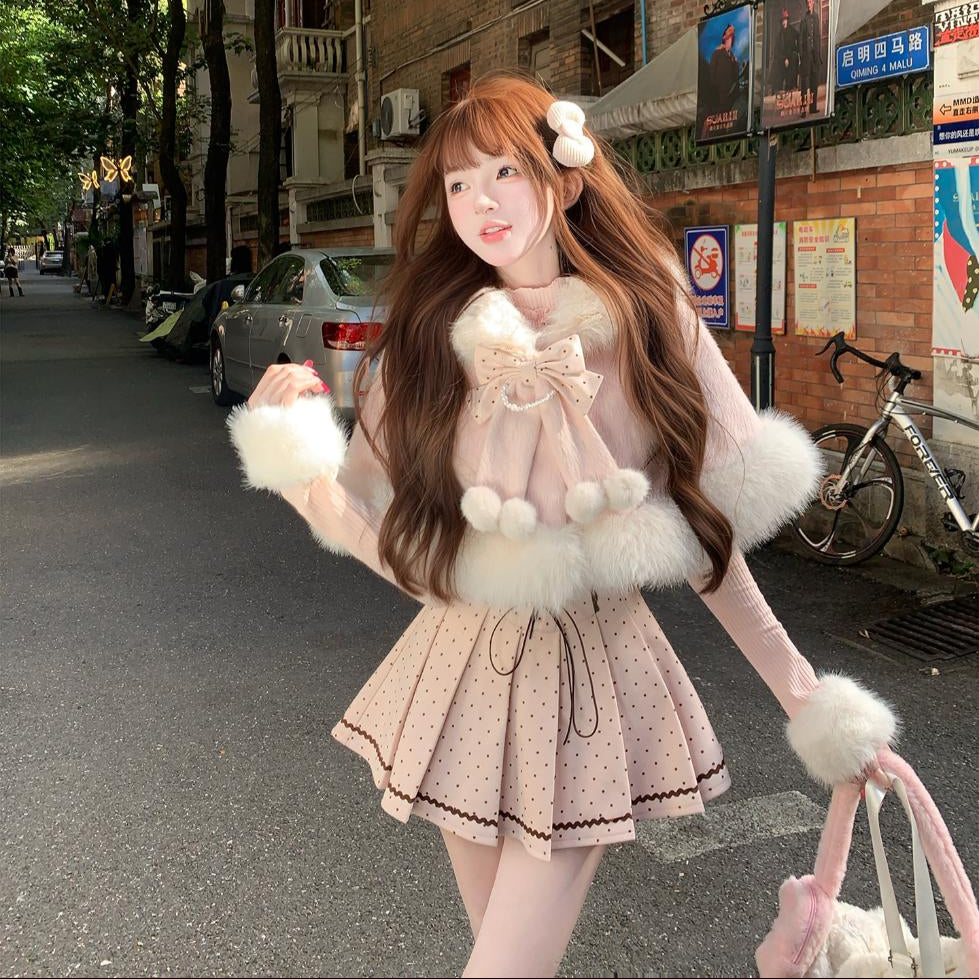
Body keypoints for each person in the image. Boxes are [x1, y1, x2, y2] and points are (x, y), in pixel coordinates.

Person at [226, 75, 897, 977]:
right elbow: (401, 549)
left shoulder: (648, 310)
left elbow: (704, 529)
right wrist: (299, 464)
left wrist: (805, 695)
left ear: (567, 178)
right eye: (458, 184)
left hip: (590, 676)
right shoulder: (429, 334)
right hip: (457, 672)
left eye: (505, 170)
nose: (480, 202)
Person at [708, 23, 741, 114]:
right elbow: (712, 75)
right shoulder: (717, 53)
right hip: (720, 98)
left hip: (732, 98)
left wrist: (735, 63)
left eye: (733, 31)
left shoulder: (733, 57)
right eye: (730, 30)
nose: (732, 32)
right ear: (724, 36)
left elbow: (736, 77)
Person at [799, 0, 823, 115]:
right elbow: (800, 39)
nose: (809, 4)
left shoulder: (816, 17)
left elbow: (818, 37)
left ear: (813, 3)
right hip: (806, 55)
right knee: (804, 83)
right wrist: (801, 55)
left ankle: (813, 108)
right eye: (807, 2)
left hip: (815, 55)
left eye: (810, 2)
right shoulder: (803, 20)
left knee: (814, 81)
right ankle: (803, 109)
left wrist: (819, 55)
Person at [772, 8, 798, 96]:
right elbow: (777, 50)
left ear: (787, 21)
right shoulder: (780, 35)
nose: (784, 22)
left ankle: (792, 86)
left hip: (791, 56)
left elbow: (799, 38)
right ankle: (778, 88)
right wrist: (784, 58)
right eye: (782, 21)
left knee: (794, 60)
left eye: (785, 20)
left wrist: (797, 52)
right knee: (777, 64)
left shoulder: (792, 31)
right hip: (782, 57)